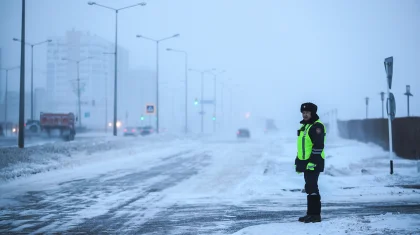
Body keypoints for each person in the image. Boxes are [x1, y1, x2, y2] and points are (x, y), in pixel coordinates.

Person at [295, 102, 326, 223]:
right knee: (309, 187)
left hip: (315, 162)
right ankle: (310, 214)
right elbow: (302, 147)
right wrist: (298, 161)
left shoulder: (317, 126)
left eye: (307, 113)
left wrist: (312, 162)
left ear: (312, 113)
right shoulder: (305, 126)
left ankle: (315, 215)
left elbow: (318, 146)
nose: (305, 115)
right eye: (303, 113)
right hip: (306, 162)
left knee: (312, 187)